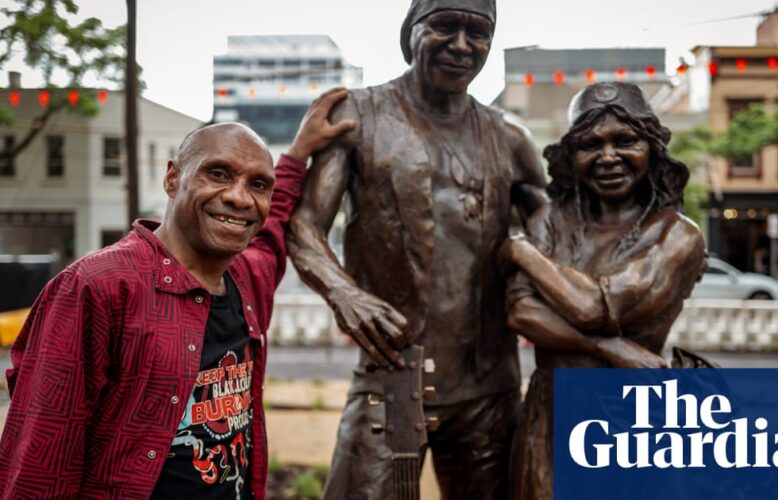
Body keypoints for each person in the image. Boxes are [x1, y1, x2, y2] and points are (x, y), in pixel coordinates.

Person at [0, 88, 355, 499]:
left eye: (258, 184)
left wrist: (297, 153)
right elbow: (39, 461)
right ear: (173, 178)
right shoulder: (98, 287)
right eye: (218, 173)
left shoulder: (247, 278)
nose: (240, 197)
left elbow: (273, 231)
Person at [287, 0, 547, 497]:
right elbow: (304, 225)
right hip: (393, 374)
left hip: (488, 384)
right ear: (411, 32)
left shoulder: (510, 136)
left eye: (478, 32)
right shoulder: (356, 115)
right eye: (445, 26)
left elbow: (556, 233)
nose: (462, 45)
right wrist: (346, 295)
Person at [501, 82, 707, 500]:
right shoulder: (550, 221)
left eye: (625, 141)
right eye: (590, 144)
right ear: (571, 157)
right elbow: (521, 313)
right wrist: (613, 350)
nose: (608, 157)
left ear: (651, 149)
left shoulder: (676, 236)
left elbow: (593, 306)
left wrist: (521, 251)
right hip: (551, 412)